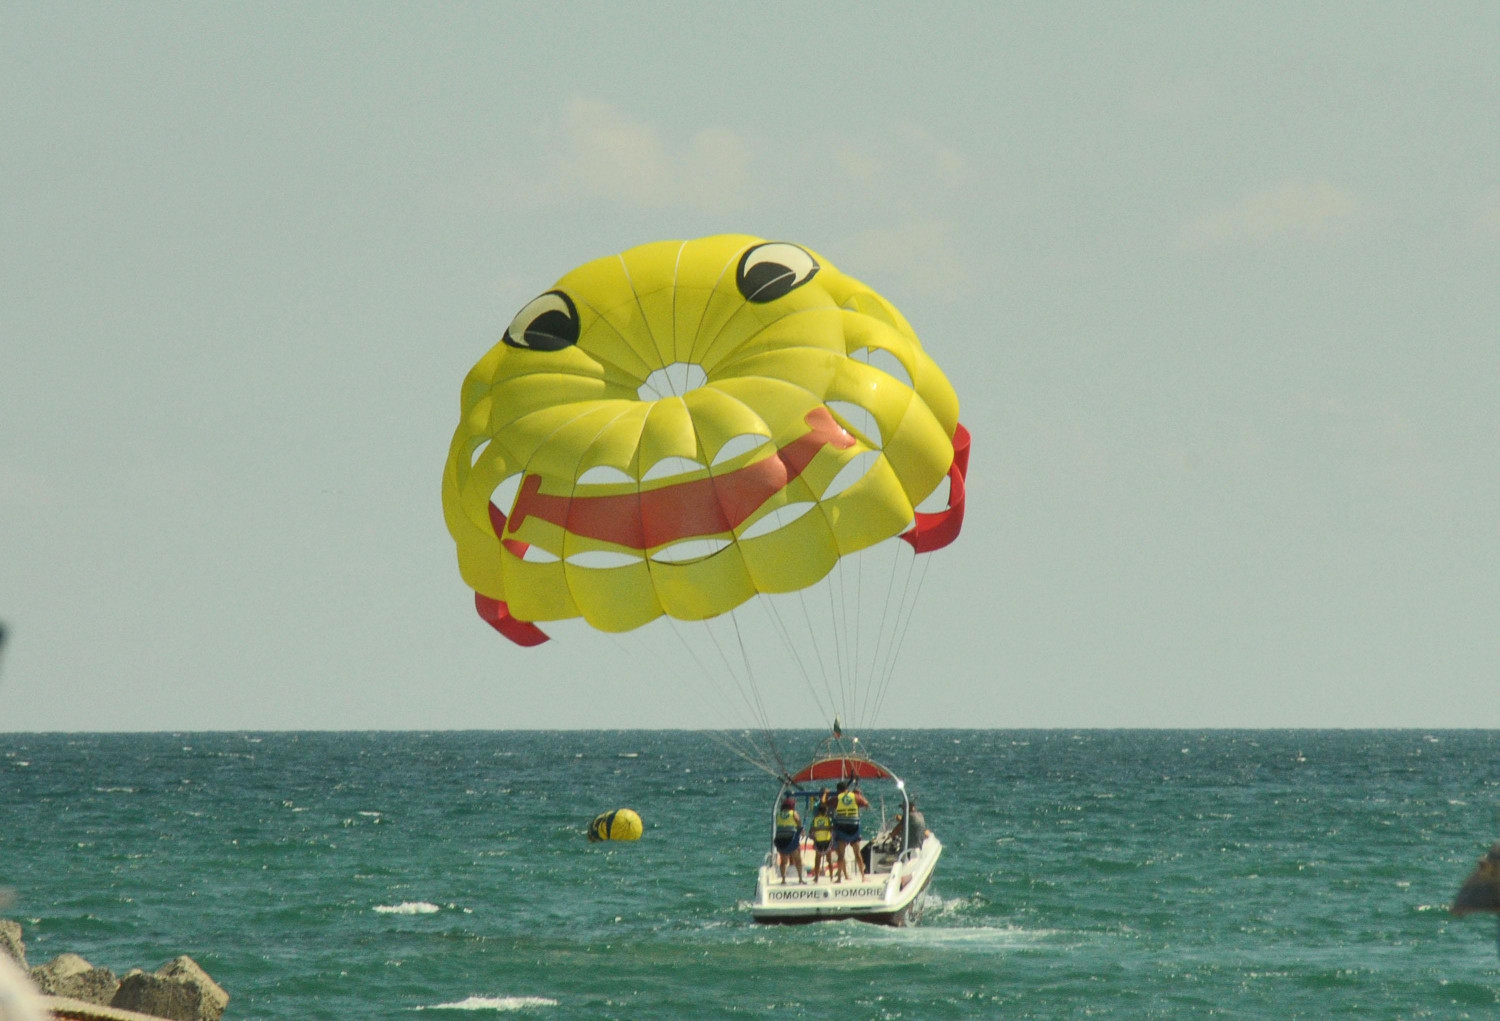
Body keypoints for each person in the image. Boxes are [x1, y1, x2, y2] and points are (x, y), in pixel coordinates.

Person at [831, 779, 870, 882]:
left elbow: (826, 803)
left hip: (841, 827)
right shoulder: (855, 796)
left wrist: (825, 795)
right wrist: (859, 798)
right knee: (857, 853)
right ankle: (863, 877)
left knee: (841, 855)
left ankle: (839, 878)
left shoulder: (837, 798)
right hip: (853, 827)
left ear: (838, 790)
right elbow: (866, 803)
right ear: (847, 789)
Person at [773, 796, 804, 883]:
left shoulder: (778, 814)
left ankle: (783, 879)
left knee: (783, 861)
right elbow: (798, 821)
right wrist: (800, 829)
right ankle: (800, 878)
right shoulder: (793, 813)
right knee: (798, 859)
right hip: (790, 840)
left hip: (780, 840)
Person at [808, 791, 835, 881]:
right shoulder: (829, 819)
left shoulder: (815, 820)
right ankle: (831, 877)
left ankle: (816, 877)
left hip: (818, 842)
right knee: (829, 860)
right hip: (827, 841)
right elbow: (832, 829)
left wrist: (815, 833)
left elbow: (811, 830)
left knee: (817, 860)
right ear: (826, 811)